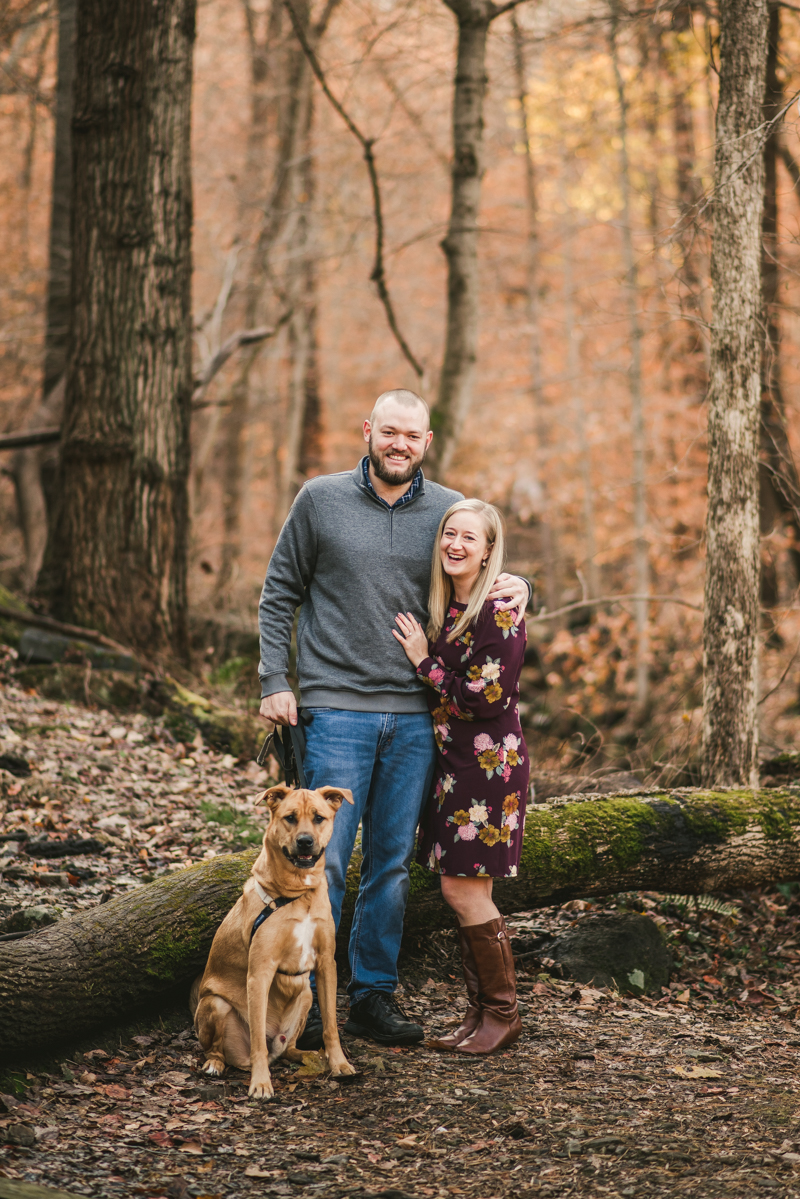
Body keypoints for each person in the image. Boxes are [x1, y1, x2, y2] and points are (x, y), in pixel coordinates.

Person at [258, 389, 530, 1048]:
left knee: (388, 864)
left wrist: (527, 587)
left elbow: (485, 567)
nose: (399, 444)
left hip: (415, 718)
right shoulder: (319, 499)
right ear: (368, 431)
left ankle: (371, 995)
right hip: (336, 707)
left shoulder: (445, 511)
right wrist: (274, 680)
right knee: (323, 858)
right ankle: (305, 995)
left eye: (411, 434)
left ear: (427, 441)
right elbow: (279, 592)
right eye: (389, 432)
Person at [393, 498, 528, 1054]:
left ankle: (502, 1014)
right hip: (455, 765)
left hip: (488, 766)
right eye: (450, 533)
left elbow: (485, 697)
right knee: (463, 890)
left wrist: (424, 662)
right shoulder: (452, 604)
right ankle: (480, 1013)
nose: (455, 544)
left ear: (489, 551)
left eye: (469, 538)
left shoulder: (498, 608)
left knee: (465, 890)